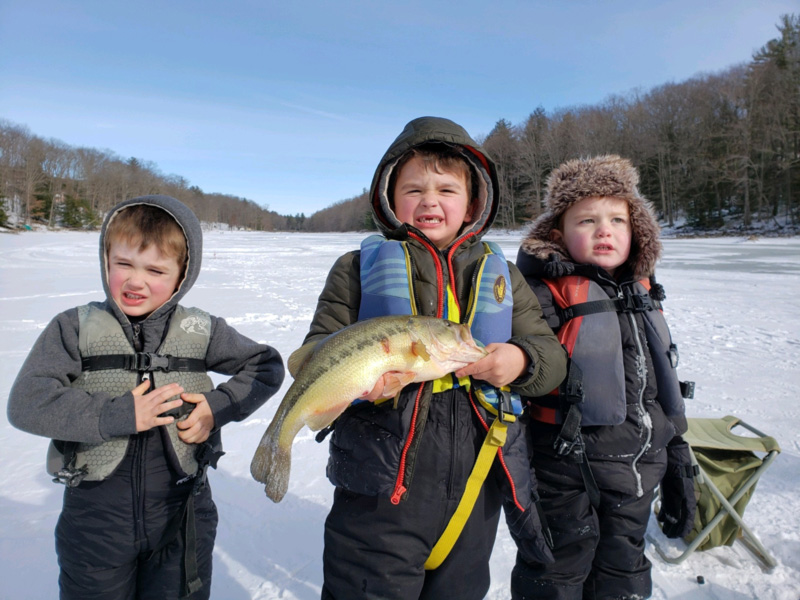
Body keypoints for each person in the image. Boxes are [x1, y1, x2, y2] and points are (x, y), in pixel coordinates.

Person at [300, 116, 567, 600]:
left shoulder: (502, 273)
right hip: (379, 489)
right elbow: (322, 349)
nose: (429, 201)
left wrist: (520, 362)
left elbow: (551, 356)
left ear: (472, 204)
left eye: (446, 189)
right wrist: (362, 391)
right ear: (388, 197)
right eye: (414, 189)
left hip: (476, 484)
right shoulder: (356, 269)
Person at [7, 195, 285, 600]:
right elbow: (27, 402)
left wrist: (216, 408)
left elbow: (266, 366)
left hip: (183, 513)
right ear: (106, 262)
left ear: (181, 276)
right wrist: (115, 415)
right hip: (94, 523)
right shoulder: (73, 328)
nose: (135, 281)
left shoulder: (201, 329)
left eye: (155, 270)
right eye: (123, 264)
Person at [511, 155, 697, 599]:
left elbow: (663, 388)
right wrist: (519, 485)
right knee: (554, 577)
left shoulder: (644, 291)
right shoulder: (538, 293)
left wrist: (679, 458)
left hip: (637, 473)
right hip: (565, 474)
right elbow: (516, 393)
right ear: (557, 234)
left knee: (625, 576)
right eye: (587, 220)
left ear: (637, 230)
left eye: (618, 219)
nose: (605, 230)